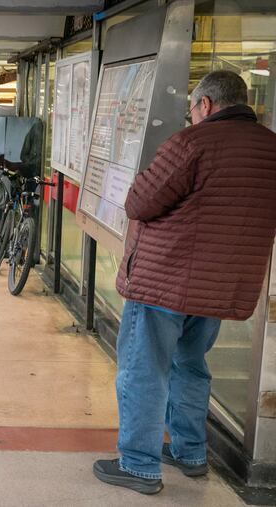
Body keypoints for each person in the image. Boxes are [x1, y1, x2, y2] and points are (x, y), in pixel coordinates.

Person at [93, 70, 276, 495]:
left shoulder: (190, 144)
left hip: (165, 281)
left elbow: (140, 201)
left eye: (192, 109)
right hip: (219, 288)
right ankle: (191, 452)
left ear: (206, 105)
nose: (190, 117)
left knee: (144, 369)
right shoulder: (271, 150)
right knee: (190, 364)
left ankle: (138, 464)